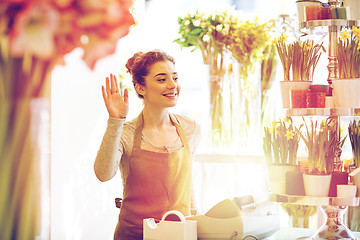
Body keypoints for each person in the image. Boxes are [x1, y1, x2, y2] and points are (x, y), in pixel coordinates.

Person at [94, 50, 201, 240]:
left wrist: (199, 229)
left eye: (175, 77)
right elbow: (103, 173)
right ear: (141, 88)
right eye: (162, 79)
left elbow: (187, 187)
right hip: (134, 235)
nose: (172, 85)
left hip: (179, 235)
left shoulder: (190, 128)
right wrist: (115, 120)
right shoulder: (125, 132)